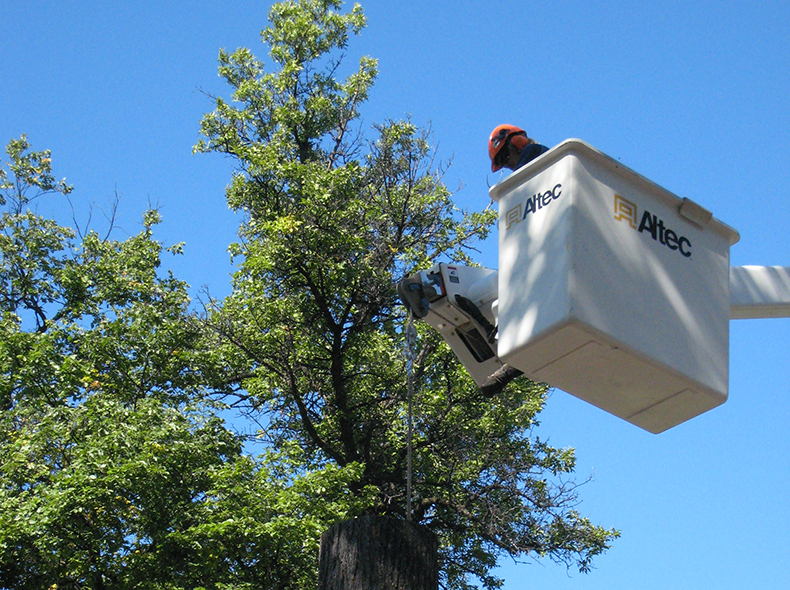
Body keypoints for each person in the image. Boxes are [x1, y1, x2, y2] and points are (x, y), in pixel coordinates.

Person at [480, 125, 549, 396]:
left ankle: (513, 359)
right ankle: (514, 356)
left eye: (504, 159)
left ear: (514, 143)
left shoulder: (533, 153)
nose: (508, 166)